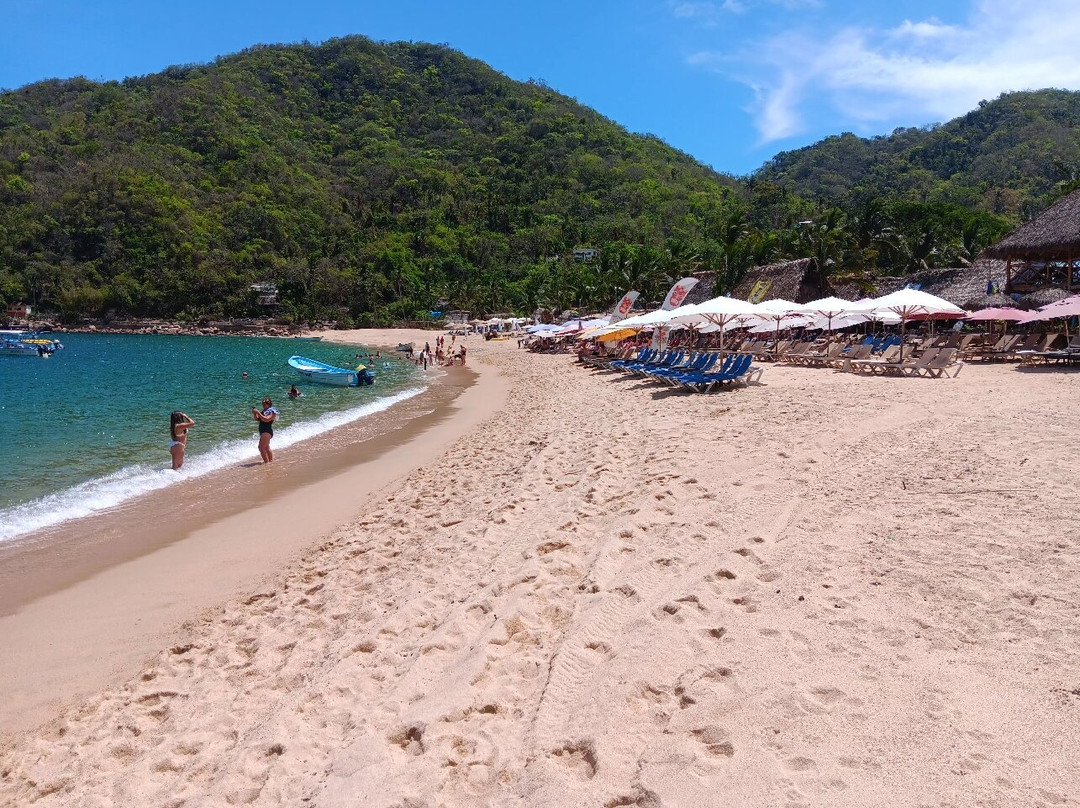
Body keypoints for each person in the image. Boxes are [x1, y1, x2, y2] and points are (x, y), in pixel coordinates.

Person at [252, 397, 279, 463]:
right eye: (262, 405)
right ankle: (271, 461)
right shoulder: (264, 411)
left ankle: (266, 463)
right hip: (264, 432)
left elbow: (266, 419)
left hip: (267, 431)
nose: (263, 406)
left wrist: (257, 412)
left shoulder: (272, 412)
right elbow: (257, 419)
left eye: (264, 404)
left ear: (269, 404)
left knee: (261, 448)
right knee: (266, 447)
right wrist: (254, 413)